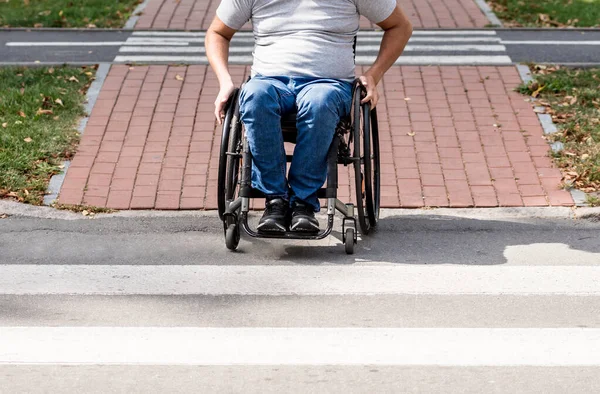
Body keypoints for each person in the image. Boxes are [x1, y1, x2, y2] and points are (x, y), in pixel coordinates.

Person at [206, 0, 412, 234]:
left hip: (328, 85)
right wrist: (224, 82)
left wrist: (374, 74)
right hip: (269, 81)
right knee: (254, 96)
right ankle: (275, 201)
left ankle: (303, 202)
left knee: (319, 102)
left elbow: (400, 26)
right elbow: (217, 32)